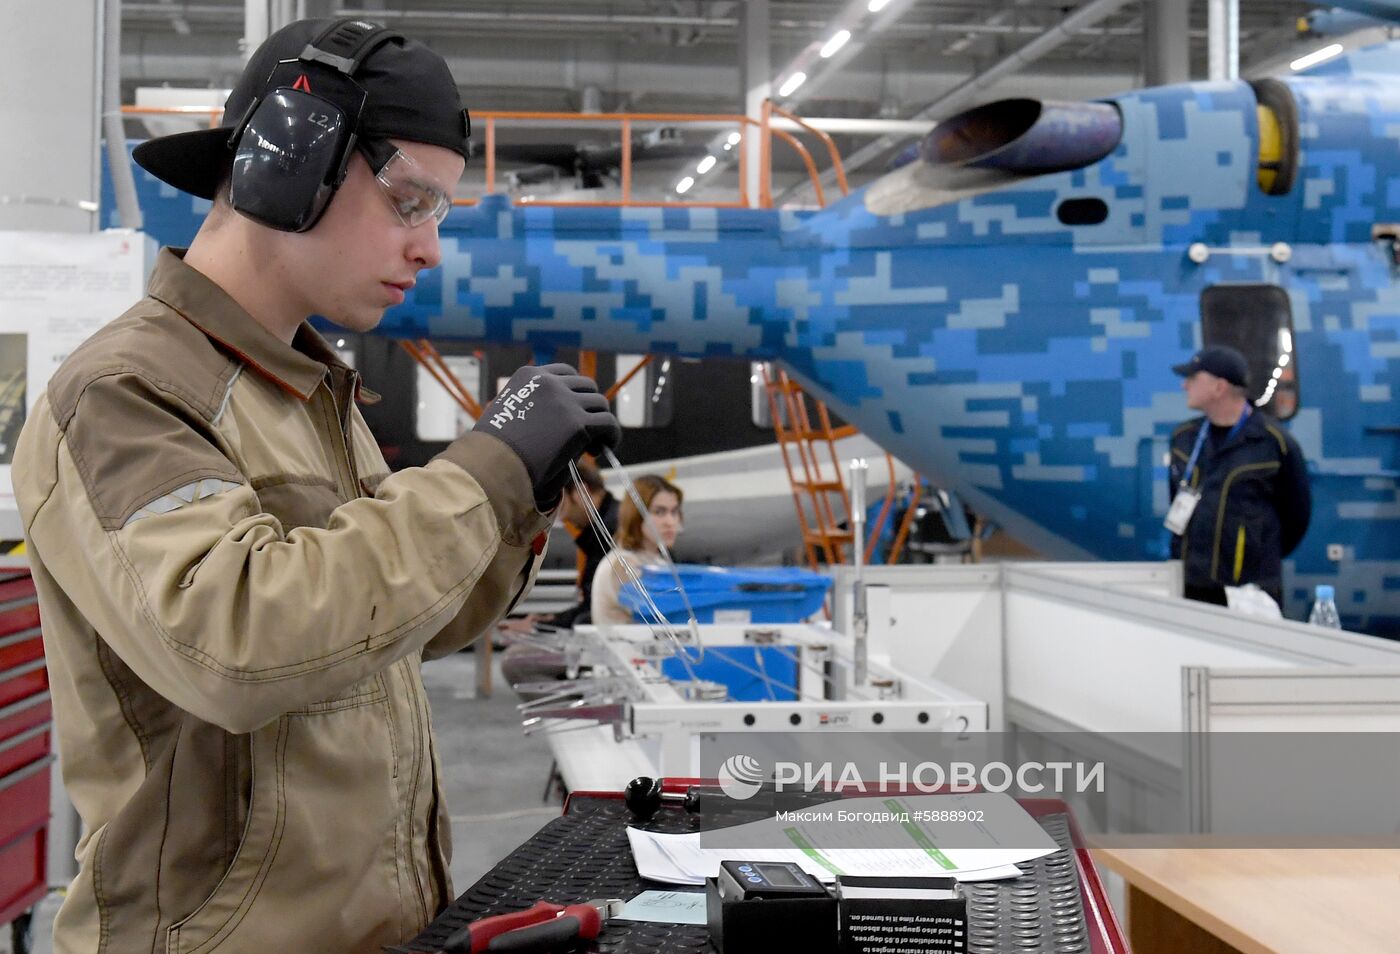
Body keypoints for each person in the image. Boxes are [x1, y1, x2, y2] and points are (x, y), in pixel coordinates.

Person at [11, 18, 619, 954]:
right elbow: (241, 641)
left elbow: (397, 627)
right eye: (410, 200)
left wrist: (517, 497)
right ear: (283, 165)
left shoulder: (305, 392)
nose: (429, 249)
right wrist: (483, 470)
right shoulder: (126, 393)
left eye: (438, 214)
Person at [1167, 345, 1310, 608]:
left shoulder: (1274, 443)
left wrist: (1257, 553)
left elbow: (1296, 517)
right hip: (1192, 585)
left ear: (1219, 387)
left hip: (1249, 591)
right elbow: (1176, 499)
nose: (1184, 385)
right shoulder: (1183, 439)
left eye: (1192, 378)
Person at [592, 474, 684, 624]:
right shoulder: (624, 563)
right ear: (635, 515)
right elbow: (665, 617)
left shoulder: (654, 560)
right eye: (659, 512)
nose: (670, 522)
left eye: (674, 512)